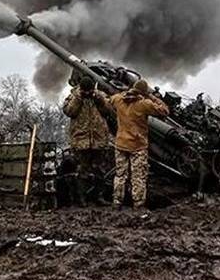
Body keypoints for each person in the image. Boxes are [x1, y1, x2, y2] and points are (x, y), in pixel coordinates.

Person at [110, 79, 169, 209]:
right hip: (137, 145)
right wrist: (152, 96)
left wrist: (125, 93)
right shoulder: (144, 104)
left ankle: (117, 202)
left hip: (120, 144)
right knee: (138, 176)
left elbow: (110, 100)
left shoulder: (118, 100)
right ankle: (138, 204)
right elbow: (165, 111)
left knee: (120, 175)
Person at [62, 76, 114, 206]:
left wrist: (98, 98)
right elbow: (69, 111)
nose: (88, 93)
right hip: (81, 140)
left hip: (98, 139)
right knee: (81, 171)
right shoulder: (73, 96)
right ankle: (81, 199)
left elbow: (109, 110)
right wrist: (79, 98)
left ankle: (99, 197)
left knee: (100, 171)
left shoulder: (100, 96)